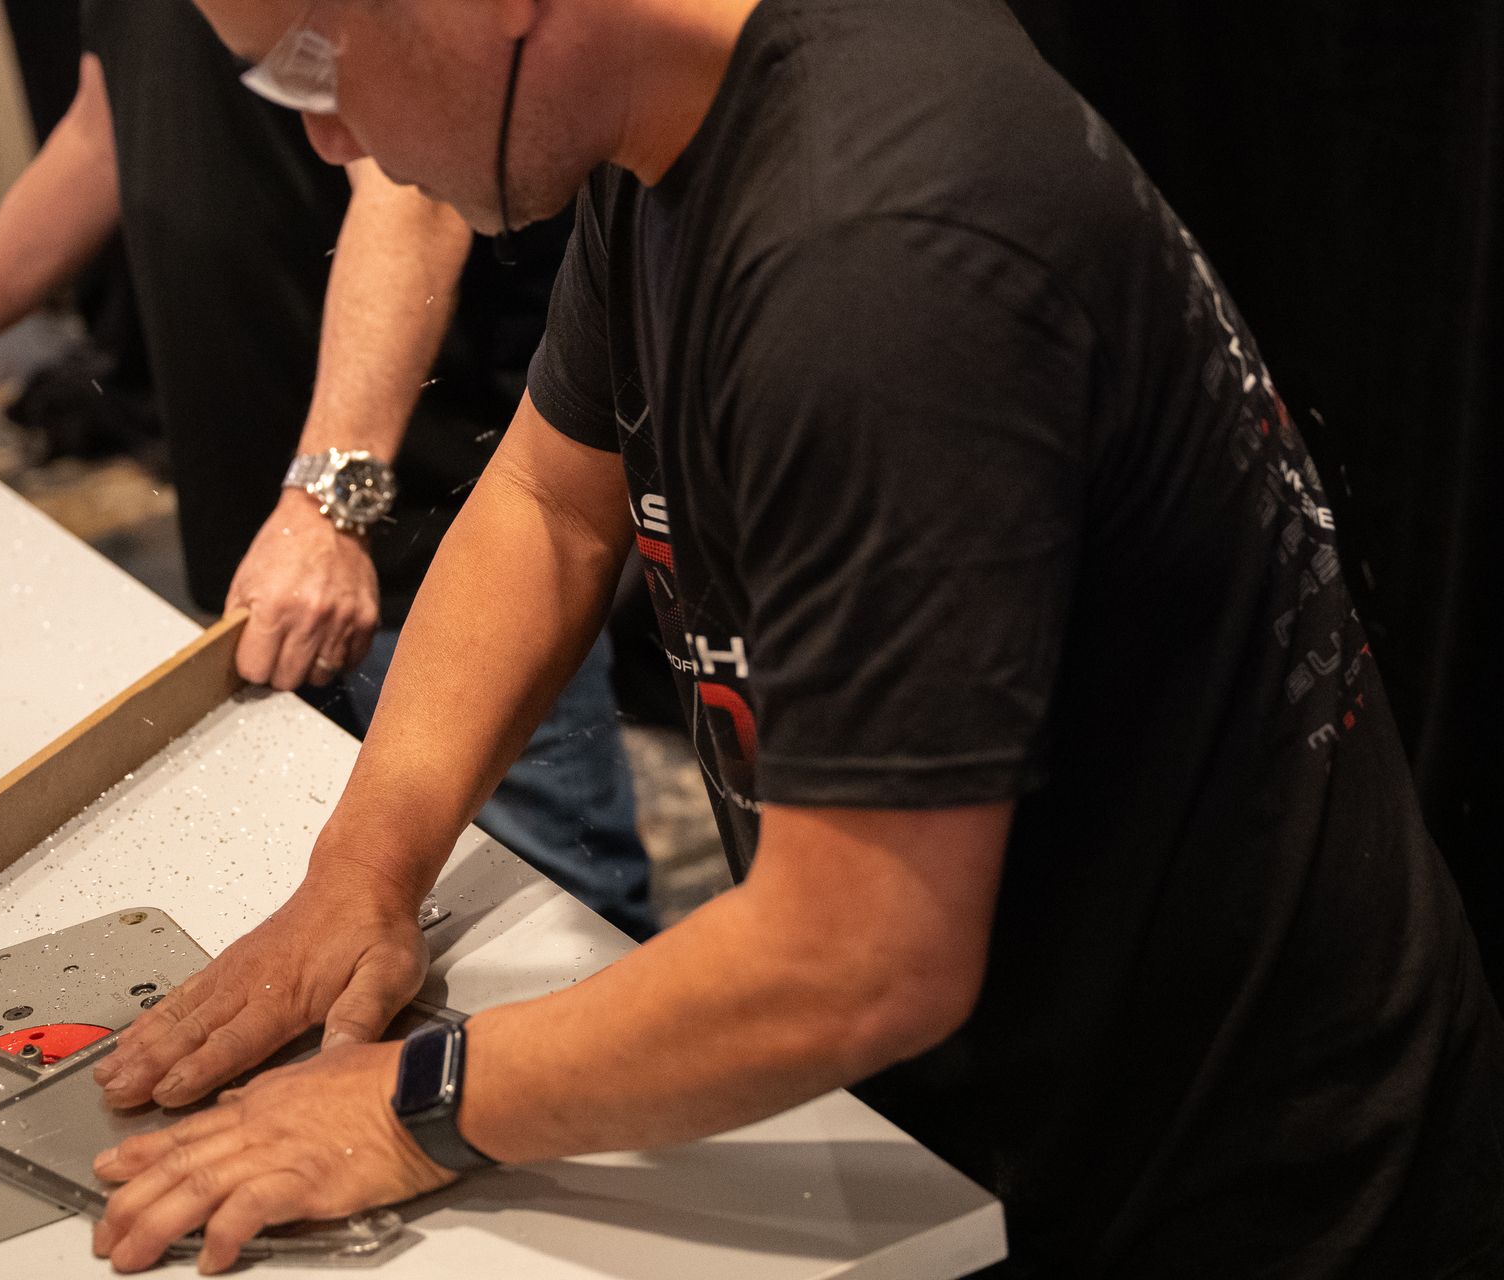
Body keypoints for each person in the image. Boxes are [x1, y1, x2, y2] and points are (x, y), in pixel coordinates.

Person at [79, 0, 1504, 1275]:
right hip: (1004, 1108)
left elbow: (860, 955)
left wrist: (414, 1107)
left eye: (315, 66)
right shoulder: (671, 127)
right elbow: (546, 505)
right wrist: (364, 869)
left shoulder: (873, 257)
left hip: (1250, 1178)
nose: (326, 139)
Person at [0, 0, 655, 940]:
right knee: (328, 893)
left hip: (432, 514)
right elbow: (106, 126)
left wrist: (328, 498)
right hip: (260, 514)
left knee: (559, 916)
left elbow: (410, 172)